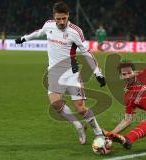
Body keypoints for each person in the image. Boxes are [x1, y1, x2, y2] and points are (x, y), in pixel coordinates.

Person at [15, 1, 106, 145]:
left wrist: (98, 73)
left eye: (64, 18)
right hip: (54, 73)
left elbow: (86, 53)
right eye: (58, 19)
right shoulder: (49, 25)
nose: (61, 22)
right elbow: (39, 32)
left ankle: (98, 132)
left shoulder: (75, 31)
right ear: (54, 17)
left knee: (80, 108)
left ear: (68, 15)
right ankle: (79, 126)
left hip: (72, 74)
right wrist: (24, 38)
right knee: (56, 104)